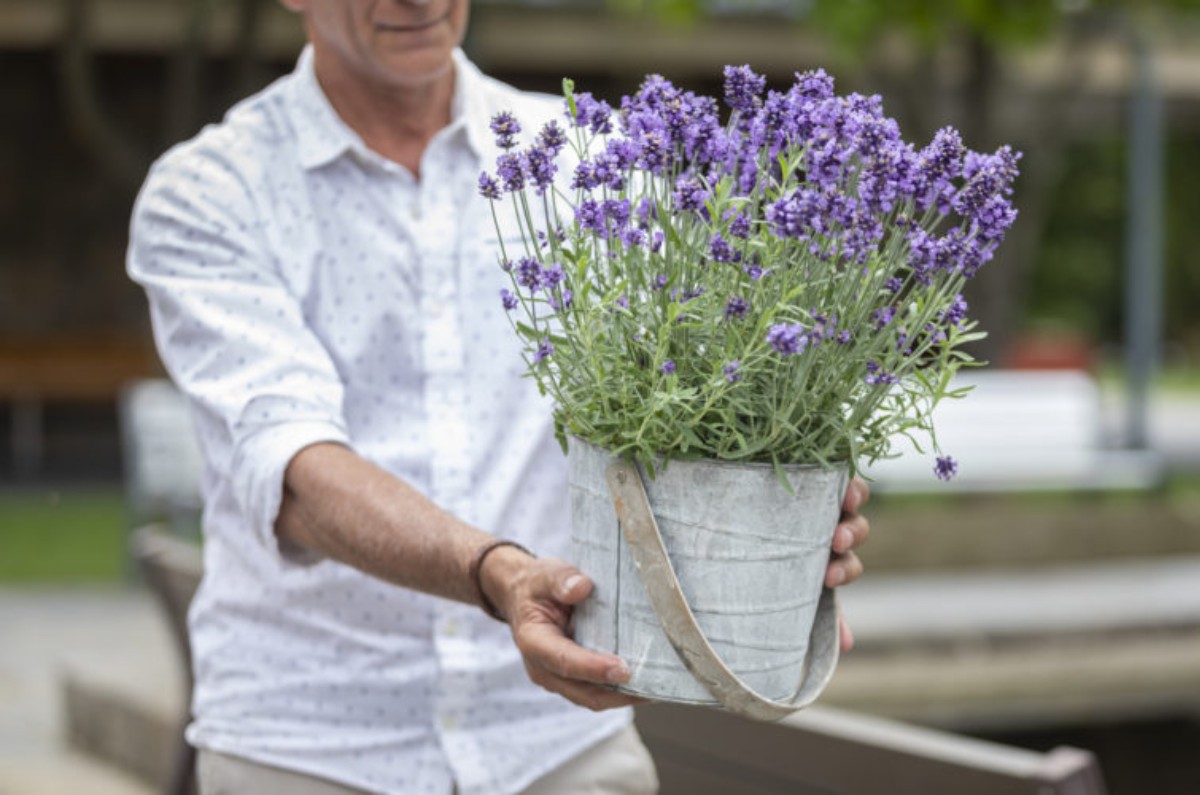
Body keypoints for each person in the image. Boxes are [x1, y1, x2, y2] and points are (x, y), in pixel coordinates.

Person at [126, 1, 872, 793]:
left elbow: (699, 402)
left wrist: (779, 527)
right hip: (313, 744)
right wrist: (498, 575)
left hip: (559, 740)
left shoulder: (594, 160)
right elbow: (294, 471)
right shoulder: (213, 189)